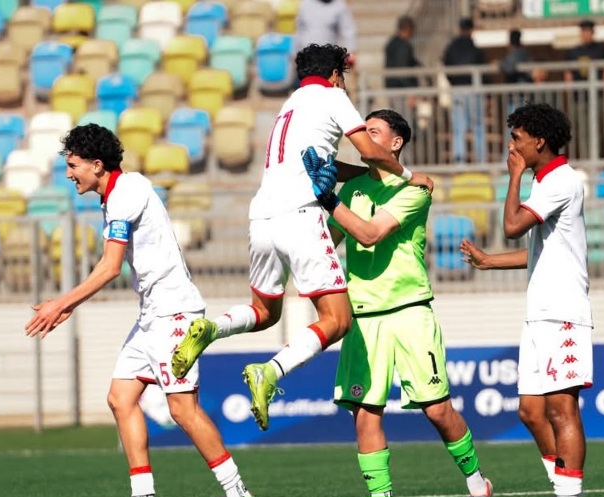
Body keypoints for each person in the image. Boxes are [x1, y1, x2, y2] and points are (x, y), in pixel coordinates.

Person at [171, 43, 434, 432]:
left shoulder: (290, 104)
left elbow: (327, 163)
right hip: (301, 214)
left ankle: (212, 329)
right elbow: (370, 152)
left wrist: (358, 176)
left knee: (264, 311)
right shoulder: (333, 96)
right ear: (334, 75)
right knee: (338, 320)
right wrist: (410, 175)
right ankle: (270, 372)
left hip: (261, 215)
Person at [24, 124, 253, 497]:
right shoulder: (117, 194)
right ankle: (143, 492)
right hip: (152, 316)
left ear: (97, 165)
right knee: (121, 398)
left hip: (174, 314)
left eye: (73, 165)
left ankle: (238, 492)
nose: (68, 174)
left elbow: (110, 266)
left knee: (182, 410)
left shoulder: (126, 193)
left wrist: (61, 303)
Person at [318, 109, 493, 497]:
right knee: (365, 415)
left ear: (396, 143)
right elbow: (329, 243)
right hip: (363, 316)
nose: (362, 137)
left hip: (410, 311)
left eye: (373, 132)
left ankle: (477, 481)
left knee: (437, 410)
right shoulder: (353, 188)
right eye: (362, 131)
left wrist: (327, 198)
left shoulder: (416, 190)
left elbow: (369, 234)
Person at [459, 103, 592, 497]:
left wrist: (514, 177)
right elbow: (537, 251)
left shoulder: (560, 181)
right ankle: (561, 486)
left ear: (540, 141)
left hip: (563, 312)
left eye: (517, 139)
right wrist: (489, 261)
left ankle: (569, 493)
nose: (511, 147)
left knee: (561, 410)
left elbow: (514, 227)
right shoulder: (544, 182)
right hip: (540, 314)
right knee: (531, 412)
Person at [442, 18, 487, 164]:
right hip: (473, 90)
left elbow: (446, 66)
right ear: (471, 30)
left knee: (459, 128)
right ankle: (481, 161)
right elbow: (483, 68)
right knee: (478, 126)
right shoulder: (474, 47)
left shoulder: (451, 47)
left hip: (457, 90)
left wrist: (454, 82)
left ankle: (459, 162)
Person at [563, 19, 604, 84]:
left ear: (592, 32)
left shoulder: (601, 50)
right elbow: (568, 73)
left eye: (588, 31)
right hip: (579, 90)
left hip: (597, 89)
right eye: (584, 31)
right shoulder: (573, 52)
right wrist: (569, 92)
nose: (586, 34)